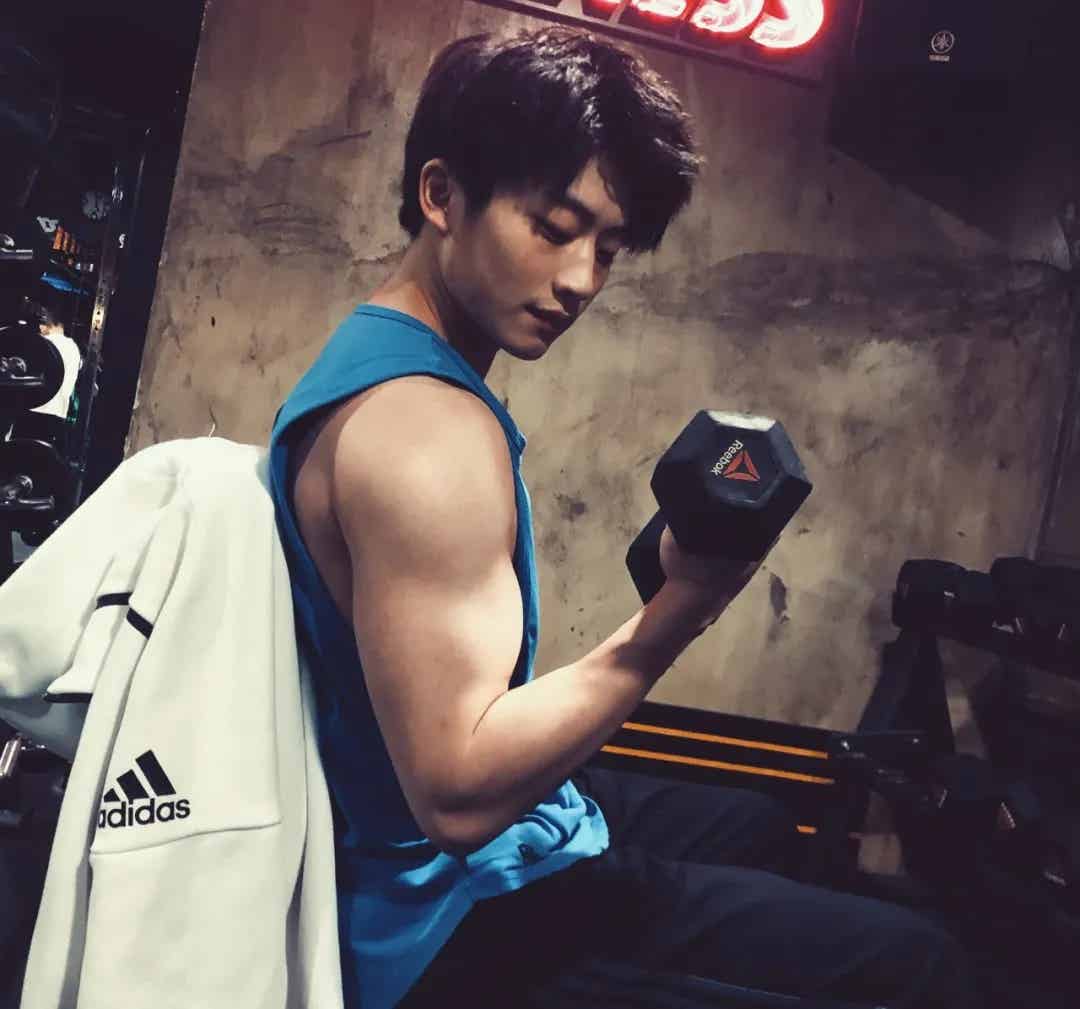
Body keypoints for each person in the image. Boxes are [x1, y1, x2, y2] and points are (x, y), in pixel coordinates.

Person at [266, 26, 976, 1009]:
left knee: (765, 827)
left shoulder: (376, 359)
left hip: (445, 852)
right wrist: (681, 609)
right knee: (920, 964)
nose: (580, 281)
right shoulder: (426, 433)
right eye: (554, 227)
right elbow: (457, 793)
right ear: (441, 194)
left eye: (607, 248)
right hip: (442, 921)